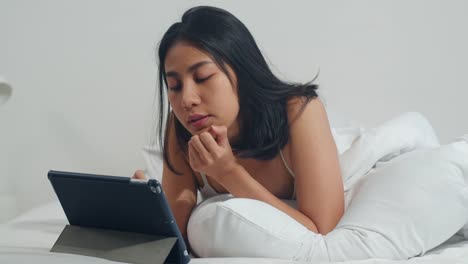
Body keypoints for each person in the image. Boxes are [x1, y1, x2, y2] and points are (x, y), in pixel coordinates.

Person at [133, 5, 344, 254]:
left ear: (242, 72)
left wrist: (227, 172)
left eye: (202, 77)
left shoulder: (299, 111)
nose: (186, 99)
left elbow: (322, 233)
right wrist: (149, 213)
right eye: (174, 86)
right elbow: (176, 242)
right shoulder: (180, 129)